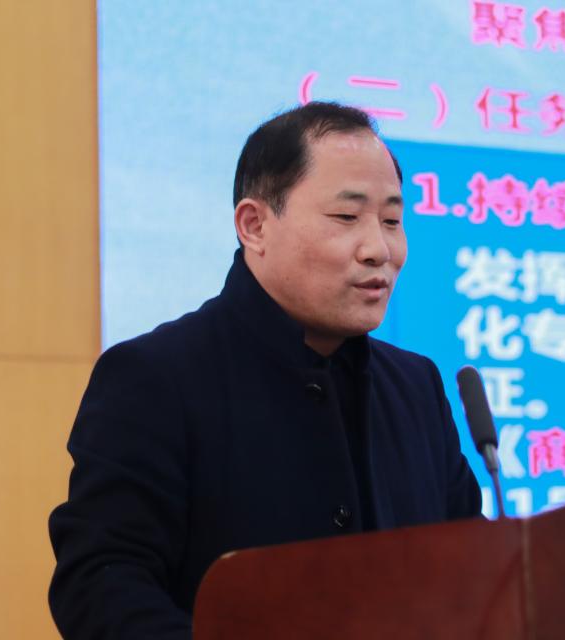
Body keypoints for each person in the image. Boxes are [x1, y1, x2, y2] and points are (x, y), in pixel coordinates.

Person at [48, 102, 482, 639]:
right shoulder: (154, 377)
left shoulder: (415, 386)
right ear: (254, 225)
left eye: (392, 221)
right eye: (347, 218)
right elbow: (99, 584)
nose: (380, 249)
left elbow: (475, 573)